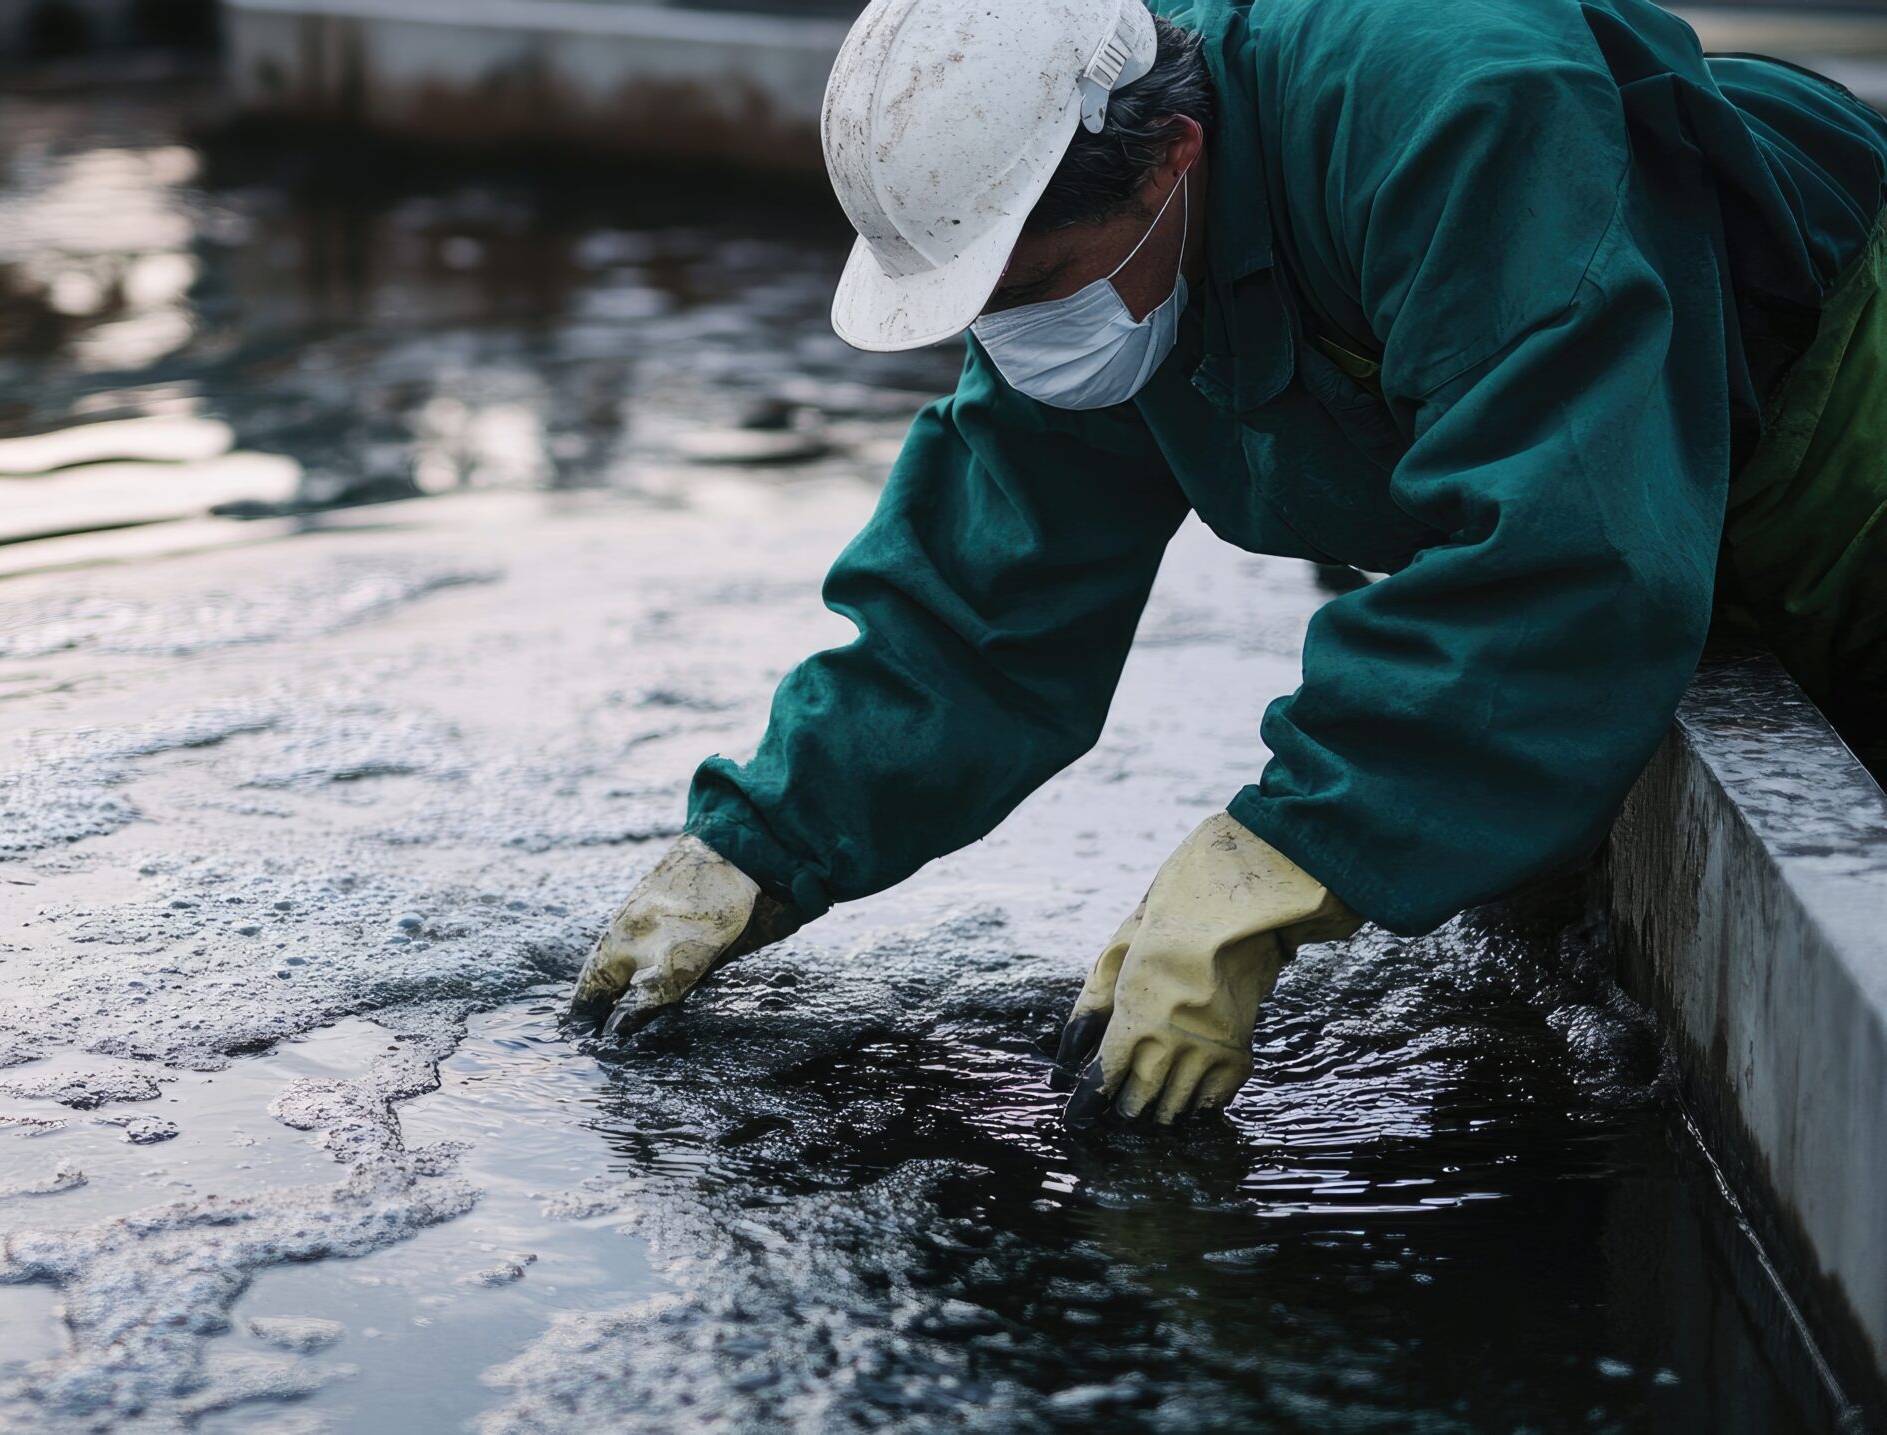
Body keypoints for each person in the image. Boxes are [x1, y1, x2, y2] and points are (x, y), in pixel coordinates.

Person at [567, 0, 1887, 1124]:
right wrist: (763, 844)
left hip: (1843, 443)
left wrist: (1285, 857)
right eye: (986, 314)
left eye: (1037, 295)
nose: (1018, 345)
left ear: (1173, 158)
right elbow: (985, 597)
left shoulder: (1461, 100)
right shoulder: (1107, 248)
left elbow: (1568, 544)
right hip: (1666, 492)